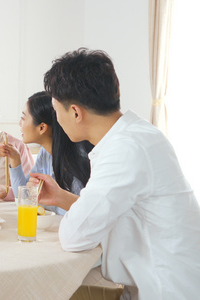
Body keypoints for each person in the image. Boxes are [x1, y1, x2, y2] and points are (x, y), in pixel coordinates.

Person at [29, 48, 200, 299]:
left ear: (75, 112)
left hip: (168, 290)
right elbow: (113, 210)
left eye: (56, 110)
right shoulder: (134, 134)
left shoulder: (125, 149)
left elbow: (74, 237)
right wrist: (60, 197)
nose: (57, 119)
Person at [0, 91, 93, 215]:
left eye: (23, 118)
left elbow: (84, 210)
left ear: (42, 128)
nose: (20, 123)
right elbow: (24, 196)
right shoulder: (45, 153)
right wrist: (15, 160)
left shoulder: (77, 157)